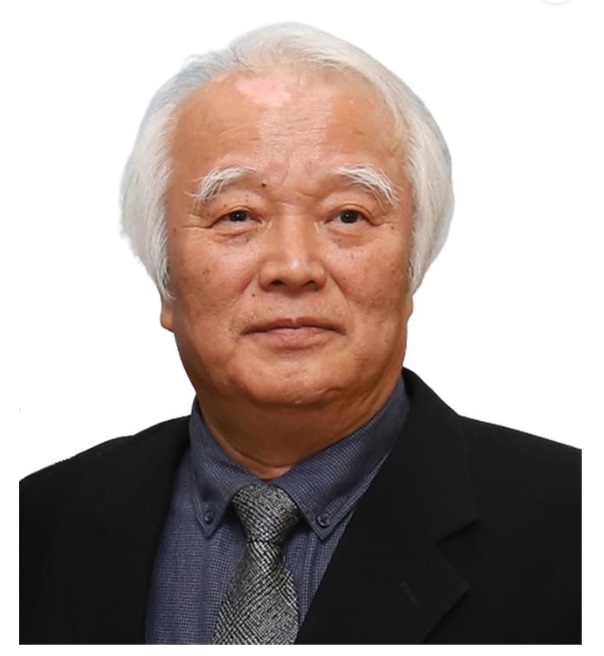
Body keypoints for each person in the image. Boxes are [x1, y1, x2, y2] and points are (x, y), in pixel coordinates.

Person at [19, 23, 581, 645]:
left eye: (348, 215)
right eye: (237, 215)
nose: (293, 266)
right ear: (165, 281)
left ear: (411, 268)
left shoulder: (577, 527)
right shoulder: (34, 527)